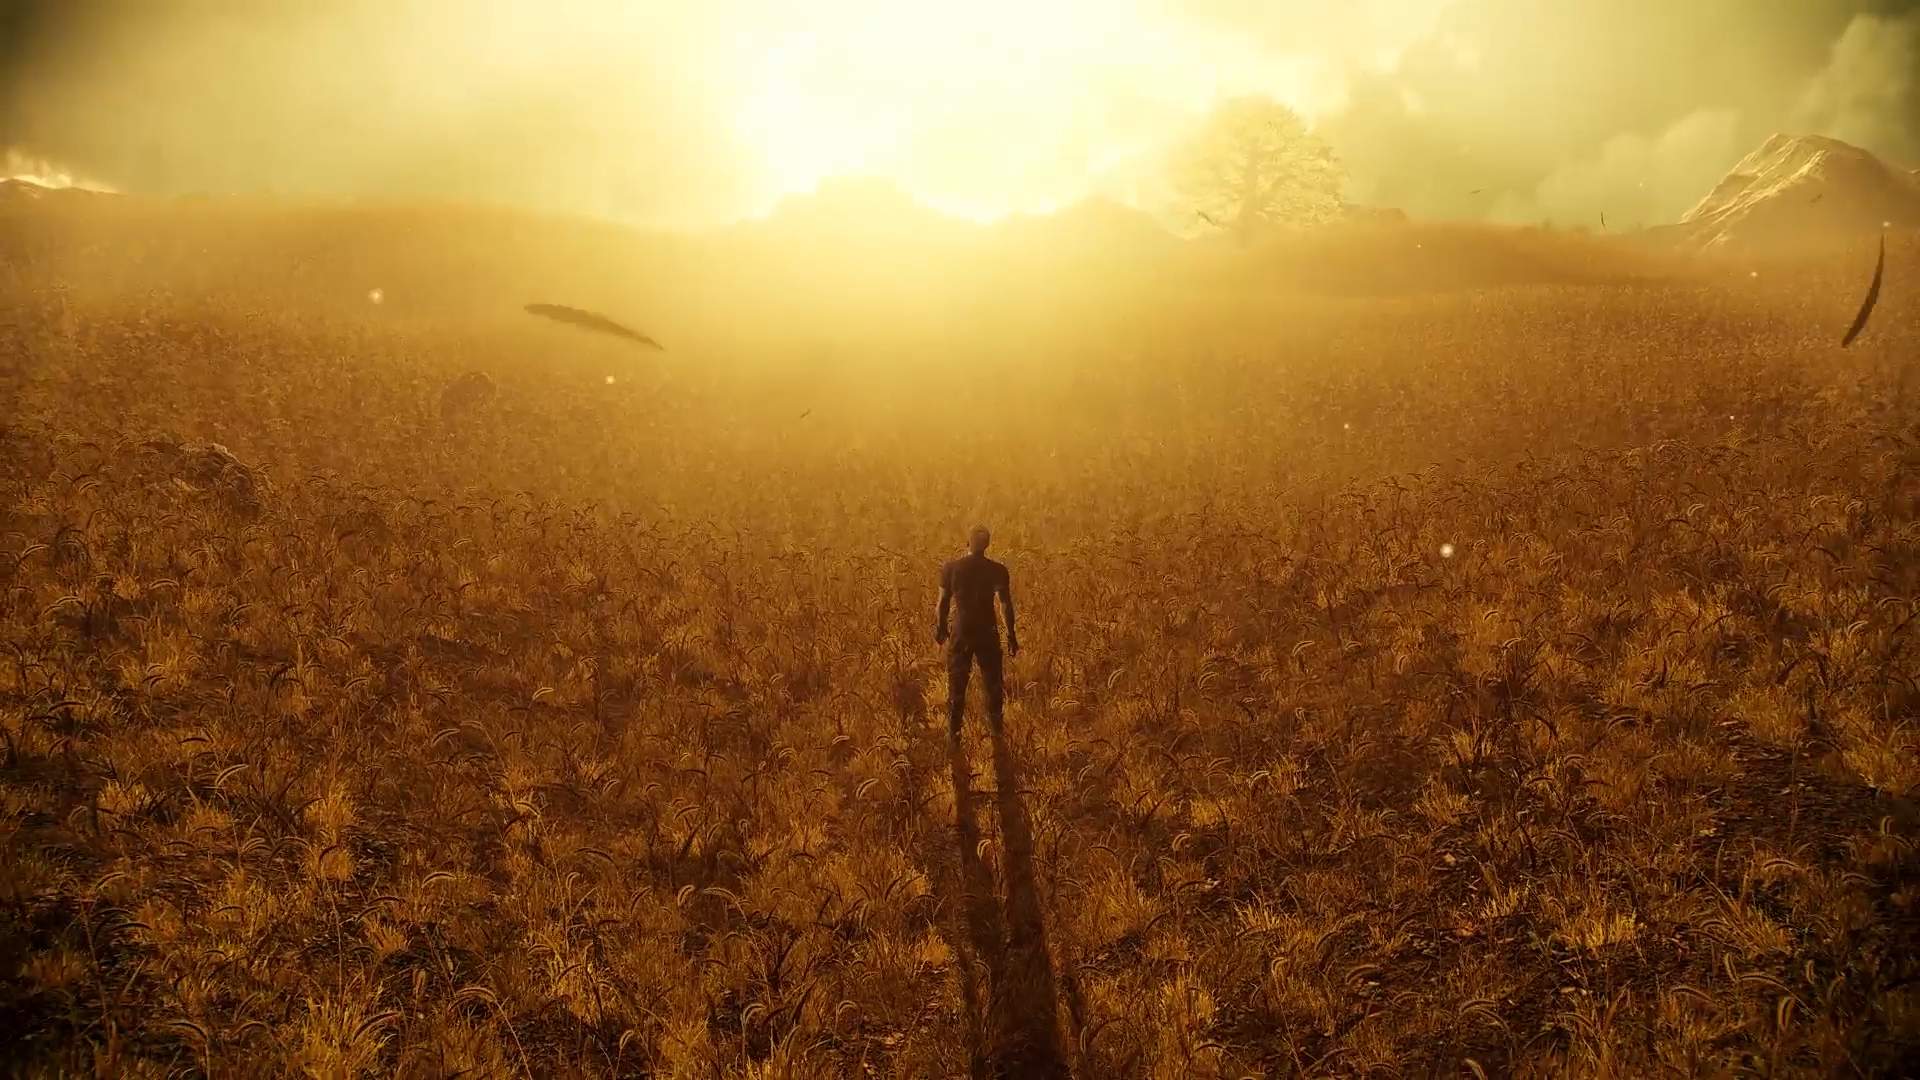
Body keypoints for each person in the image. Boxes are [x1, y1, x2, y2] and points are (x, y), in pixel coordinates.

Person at [936, 525, 1019, 739]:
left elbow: (943, 603)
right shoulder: (997, 570)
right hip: (987, 631)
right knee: (993, 684)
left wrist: (941, 627)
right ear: (987, 545)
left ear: (968, 542)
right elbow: (1005, 605)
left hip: (962, 630)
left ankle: (954, 733)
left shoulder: (951, 568)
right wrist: (1011, 635)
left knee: (957, 684)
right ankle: (996, 731)